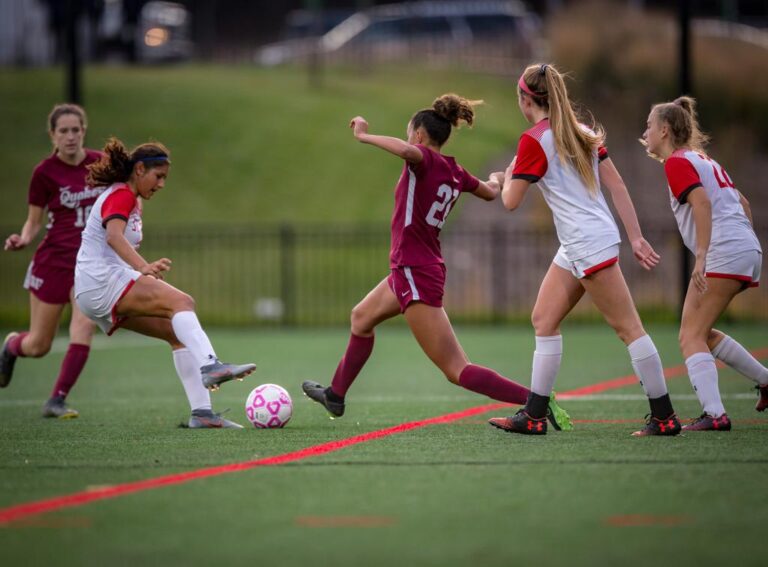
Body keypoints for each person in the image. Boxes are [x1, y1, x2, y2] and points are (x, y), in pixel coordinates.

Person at [301, 94, 572, 431]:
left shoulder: (424, 160)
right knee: (361, 318)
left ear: (418, 135)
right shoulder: (454, 170)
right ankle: (336, 394)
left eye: (408, 133)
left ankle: (537, 401)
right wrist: (500, 178)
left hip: (415, 272)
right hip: (411, 270)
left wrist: (362, 136)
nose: (407, 139)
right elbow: (489, 192)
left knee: (456, 370)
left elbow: (405, 151)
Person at [487, 63, 681, 436]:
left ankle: (665, 417)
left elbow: (510, 201)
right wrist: (635, 237)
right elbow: (618, 185)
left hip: (587, 242)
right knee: (543, 319)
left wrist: (508, 174)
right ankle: (534, 416)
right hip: (582, 240)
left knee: (629, 329)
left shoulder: (534, 140)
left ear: (526, 100)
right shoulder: (583, 131)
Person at [72, 137, 257, 428]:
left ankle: (202, 414)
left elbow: (114, 242)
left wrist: (140, 269)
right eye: (158, 177)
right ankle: (211, 365)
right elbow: (113, 237)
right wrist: (143, 267)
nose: (161, 185)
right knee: (183, 302)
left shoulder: (130, 200)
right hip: (100, 280)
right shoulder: (122, 195)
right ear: (140, 169)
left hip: (94, 288)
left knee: (176, 333)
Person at [642, 96, 767, 430]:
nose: (646, 132)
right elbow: (742, 201)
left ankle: (715, 415)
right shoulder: (702, 159)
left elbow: (700, 203)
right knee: (702, 333)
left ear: (665, 130)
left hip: (724, 252)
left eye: (649, 126)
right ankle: (765, 382)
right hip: (745, 248)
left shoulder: (677, 162)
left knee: (689, 336)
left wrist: (702, 256)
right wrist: (745, 241)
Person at [1, 104, 102, 419]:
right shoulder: (44, 173)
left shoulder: (101, 164)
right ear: (53, 135)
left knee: (84, 325)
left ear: (84, 131)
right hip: (53, 262)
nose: (71, 137)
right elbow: (34, 221)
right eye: (64, 131)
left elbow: (125, 193)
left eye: (76, 130)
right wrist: (23, 237)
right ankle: (10, 346)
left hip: (86, 265)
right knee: (39, 345)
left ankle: (56, 399)